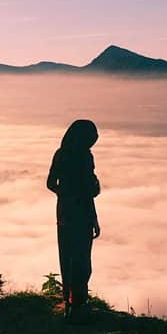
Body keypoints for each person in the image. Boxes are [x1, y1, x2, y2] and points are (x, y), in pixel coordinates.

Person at [46, 119, 100, 321]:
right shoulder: (85, 157)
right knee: (81, 260)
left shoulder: (60, 154)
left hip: (64, 213)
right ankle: (78, 304)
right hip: (82, 213)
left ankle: (69, 303)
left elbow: (50, 183)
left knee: (66, 256)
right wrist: (93, 218)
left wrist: (65, 195)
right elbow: (89, 190)